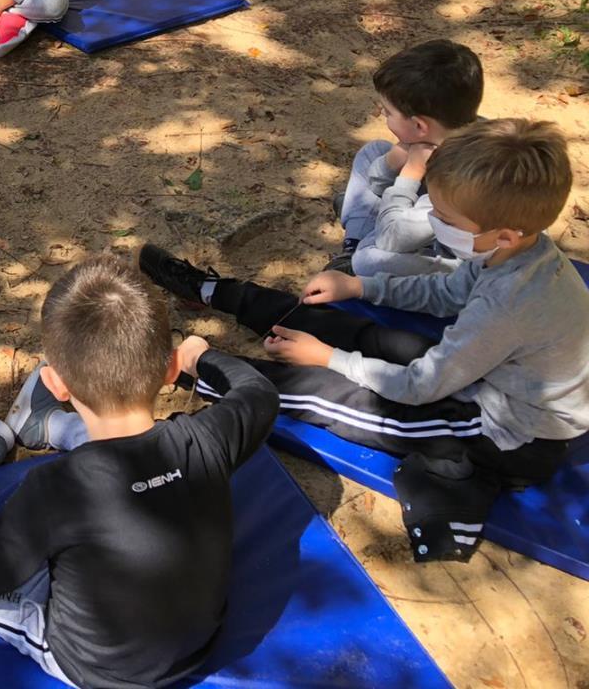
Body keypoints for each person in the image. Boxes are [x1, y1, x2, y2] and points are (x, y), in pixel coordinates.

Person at [140, 118, 589, 563]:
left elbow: (419, 387)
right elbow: (449, 292)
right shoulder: (518, 252)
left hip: (506, 436)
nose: (433, 220)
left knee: (328, 395)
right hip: (488, 382)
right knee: (363, 334)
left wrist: (329, 359)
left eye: (446, 218)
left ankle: (189, 365)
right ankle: (213, 291)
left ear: (504, 234)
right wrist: (360, 288)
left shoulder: (508, 305)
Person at [0, 255, 278, 687]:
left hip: (96, 668)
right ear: (169, 369)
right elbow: (258, 392)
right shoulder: (208, 436)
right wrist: (201, 357)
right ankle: (49, 425)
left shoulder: (56, 488)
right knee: (121, 446)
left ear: (55, 384)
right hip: (194, 645)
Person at [332, 39, 484, 276]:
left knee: (369, 258)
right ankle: (356, 237)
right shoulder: (453, 128)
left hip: (463, 268)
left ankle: (356, 244)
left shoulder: (456, 178)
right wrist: (394, 159)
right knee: (373, 151)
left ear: (419, 125)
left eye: (388, 112)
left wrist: (410, 173)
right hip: (424, 219)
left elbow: (391, 240)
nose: (382, 115)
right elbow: (376, 182)